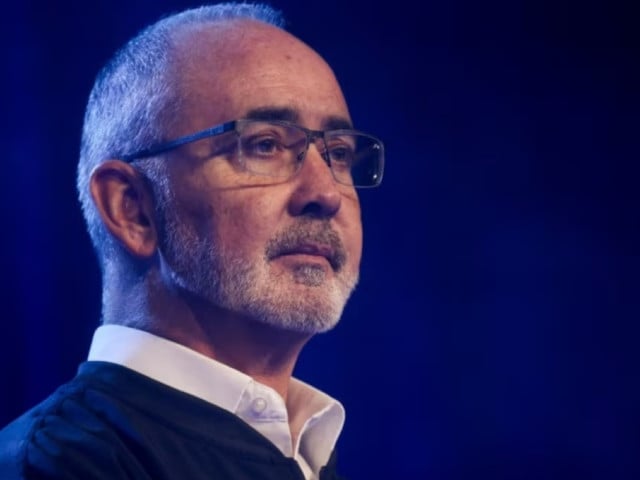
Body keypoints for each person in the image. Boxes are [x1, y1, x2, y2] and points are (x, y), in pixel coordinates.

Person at [0, 2, 384, 479]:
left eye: (340, 154)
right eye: (264, 145)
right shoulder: (57, 465)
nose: (326, 193)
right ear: (132, 208)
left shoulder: (308, 451)